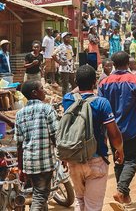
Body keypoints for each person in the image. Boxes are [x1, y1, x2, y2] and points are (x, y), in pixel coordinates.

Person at [63, 65, 124, 211]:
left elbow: (74, 91)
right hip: (96, 158)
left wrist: (80, 84)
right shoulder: (101, 102)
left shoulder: (67, 100)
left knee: (80, 201)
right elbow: (114, 133)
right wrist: (120, 149)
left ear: (76, 81)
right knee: (93, 207)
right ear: (95, 82)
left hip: (74, 158)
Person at [99, 51, 136, 205]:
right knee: (131, 160)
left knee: (118, 160)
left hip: (112, 130)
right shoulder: (135, 81)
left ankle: (123, 194)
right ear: (128, 64)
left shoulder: (104, 83)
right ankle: (121, 190)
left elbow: (101, 107)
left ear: (113, 65)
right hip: (131, 129)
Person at [15, 80, 58, 211]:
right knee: (40, 196)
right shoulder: (47, 109)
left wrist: (21, 168)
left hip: (29, 163)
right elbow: (56, 135)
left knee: (38, 194)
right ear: (34, 93)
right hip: (44, 163)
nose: (44, 91)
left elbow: (19, 144)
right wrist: (63, 156)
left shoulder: (19, 114)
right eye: (41, 88)